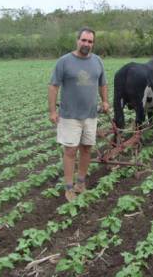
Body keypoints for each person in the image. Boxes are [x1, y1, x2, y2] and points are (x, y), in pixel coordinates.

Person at [48, 27, 110, 202]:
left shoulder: (97, 61)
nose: (86, 44)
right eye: (83, 40)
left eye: (90, 41)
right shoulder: (64, 62)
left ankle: (80, 183)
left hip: (90, 115)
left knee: (86, 149)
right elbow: (53, 86)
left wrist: (105, 101)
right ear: (77, 41)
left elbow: (103, 83)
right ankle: (69, 188)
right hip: (70, 115)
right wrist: (52, 111)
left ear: (93, 44)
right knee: (70, 151)